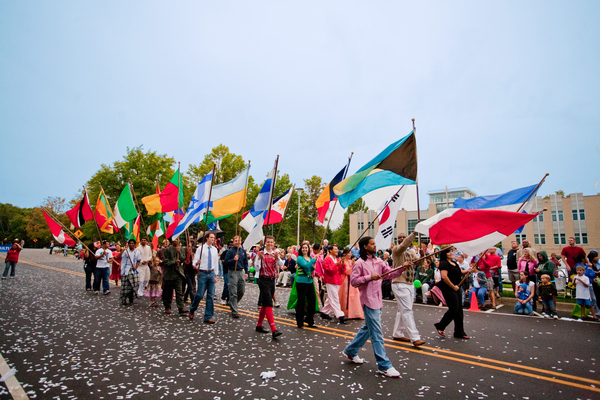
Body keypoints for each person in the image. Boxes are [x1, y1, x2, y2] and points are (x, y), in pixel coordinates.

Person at [341, 236, 408, 378]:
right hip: (368, 301)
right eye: (372, 244)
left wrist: (403, 267)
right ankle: (384, 365)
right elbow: (354, 282)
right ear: (365, 246)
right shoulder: (359, 263)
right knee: (376, 332)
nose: (375, 246)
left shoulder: (379, 261)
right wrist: (369, 277)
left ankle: (350, 351)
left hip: (378, 300)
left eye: (374, 243)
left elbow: (390, 274)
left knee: (369, 328)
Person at [390, 232, 425, 347]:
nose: (401, 239)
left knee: (402, 310)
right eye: (399, 237)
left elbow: (420, 263)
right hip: (399, 283)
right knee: (407, 310)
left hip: (409, 284)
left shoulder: (411, 252)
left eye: (403, 237)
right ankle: (415, 337)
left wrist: (423, 255)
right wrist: (414, 234)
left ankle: (397, 333)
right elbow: (403, 245)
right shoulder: (396, 250)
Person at [434, 247, 473, 339]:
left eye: (451, 251)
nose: (451, 253)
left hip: (457, 287)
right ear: (445, 254)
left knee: (459, 310)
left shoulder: (455, 263)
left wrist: (468, 271)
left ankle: (459, 332)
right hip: (448, 288)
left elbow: (461, 272)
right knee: (453, 309)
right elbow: (444, 277)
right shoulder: (444, 263)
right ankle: (441, 325)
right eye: (449, 252)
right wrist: (453, 286)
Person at [254, 235, 284, 339]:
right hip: (263, 279)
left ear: (273, 243)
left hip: (272, 280)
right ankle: (273, 329)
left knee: (265, 303)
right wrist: (259, 259)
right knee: (269, 303)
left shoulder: (275, 254)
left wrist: (277, 258)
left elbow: (281, 264)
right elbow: (256, 268)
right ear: (265, 243)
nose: (270, 244)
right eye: (268, 242)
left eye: (271, 242)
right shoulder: (260, 253)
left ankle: (259, 325)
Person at [189, 233, 218, 323]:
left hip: (211, 273)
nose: (213, 239)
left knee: (210, 295)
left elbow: (215, 262)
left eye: (214, 238)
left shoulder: (214, 250)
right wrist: (196, 263)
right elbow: (194, 262)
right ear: (207, 238)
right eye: (211, 237)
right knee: (199, 294)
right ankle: (192, 309)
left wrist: (216, 275)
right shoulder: (200, 249)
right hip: (203, 273)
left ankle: (208, 316)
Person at [320, 244, 346, 324]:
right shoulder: (327, 259)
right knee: (335, 298)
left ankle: (324, 312)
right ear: (330, 250)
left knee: (331, 297)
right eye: (335, 249)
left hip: (337, 280)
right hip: (330, 281)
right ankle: (340, 315)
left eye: (337, 249)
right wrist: (336, 265)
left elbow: (342, 271)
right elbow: (329, 270)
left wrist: (343, 263)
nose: (337, 251)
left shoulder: (337, 259)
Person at [224, 235, 249, 319]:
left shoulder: (243, 251)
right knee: (233, 291)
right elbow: (226, 262)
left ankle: (233, 303)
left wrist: (246, 272)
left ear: (241, 241)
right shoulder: (230, 251)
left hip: (241, 271)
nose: (237, 242)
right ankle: (234, 311)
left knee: (241, 290)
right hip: (232, 271)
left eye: (238, 240)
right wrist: (233, 260)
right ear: (233, 241)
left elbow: (245, 262)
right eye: (235, 240)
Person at [162, 238, 188, 315]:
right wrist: (174, 262)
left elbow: (183, 258)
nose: (175, 240)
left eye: (177, 239)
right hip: (169, 274)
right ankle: (167, 307)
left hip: (178, 274)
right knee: (168, 292)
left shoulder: (181, 249)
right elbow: (165, 261)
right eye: (174, 239)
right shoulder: (167, 250)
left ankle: (181, 307)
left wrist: (179, 253)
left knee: (179, 292)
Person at [295, 241, 317, 328]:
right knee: (301, 302)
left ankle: (309, 319)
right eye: (303, 248)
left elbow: (310, 268)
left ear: (308, 249)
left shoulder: (310, 258)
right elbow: (306, 266)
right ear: (301, 249)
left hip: (309, 281)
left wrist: (313, 267)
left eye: (306, 248)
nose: (304, 249)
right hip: (301, 282)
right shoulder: (300, 258)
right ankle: (299, 322)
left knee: (312, 301)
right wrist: (314, 260)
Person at [339, 247, 364, 320]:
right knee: (346, 296)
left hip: (351, 280)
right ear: (344, 254)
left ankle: (355, 312)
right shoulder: (343, 262)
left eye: (350, 253)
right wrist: (352, 266)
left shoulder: (350, 261)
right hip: (346, 280)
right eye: (348, 253)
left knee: (355, 296)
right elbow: (346, 271)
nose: (350, 254)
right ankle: (346, 312)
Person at [120, 239, 141, 305]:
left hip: (133, 271)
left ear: (134, 244)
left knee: (134, 285)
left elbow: (138, 261)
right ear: (128, 244)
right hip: (125, 270)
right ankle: (124, 299)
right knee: (125, 286)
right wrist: (122, 251)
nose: (131, 244)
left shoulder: (137, 252)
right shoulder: (125, 251)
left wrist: (136, 266)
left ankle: (131, 297)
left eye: (132, 243)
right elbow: (118, 257)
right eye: (130, 243)